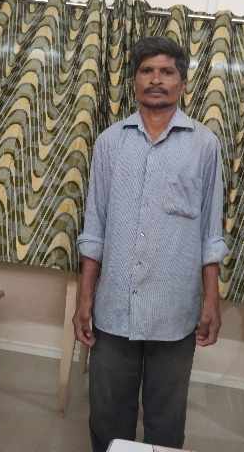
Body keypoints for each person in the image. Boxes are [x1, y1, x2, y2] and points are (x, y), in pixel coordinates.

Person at [73, 36, 229, 452]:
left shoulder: (204, 145)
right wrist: (85, 298)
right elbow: (94, 228)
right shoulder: (110, 142)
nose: (156, 79)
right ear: (134, 80)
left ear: (182, 82)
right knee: (107, 415)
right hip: (114, 308)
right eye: (147, 71)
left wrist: (211, 300)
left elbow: (210, 233)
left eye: (166, 72)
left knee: (166, 419)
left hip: (175, 310)